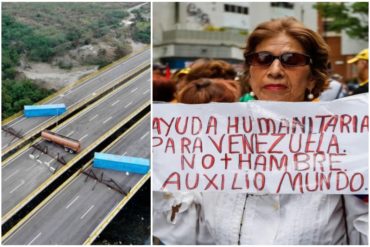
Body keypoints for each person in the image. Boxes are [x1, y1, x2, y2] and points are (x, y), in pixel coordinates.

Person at [153, 17, 368, 245]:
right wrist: (163, 177)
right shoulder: (217, 140)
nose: (275, 70)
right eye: (263, 59)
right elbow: (189, 234)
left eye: (291, 60)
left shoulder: (343, 144)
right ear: (250, 72)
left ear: (313, 77)